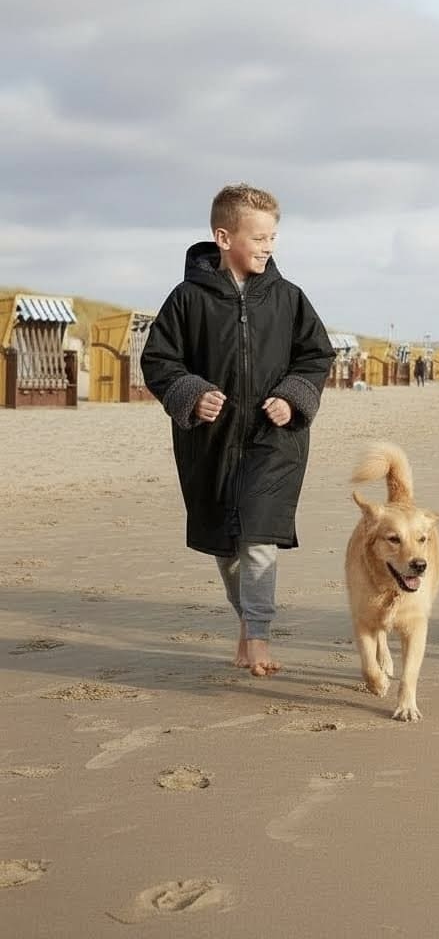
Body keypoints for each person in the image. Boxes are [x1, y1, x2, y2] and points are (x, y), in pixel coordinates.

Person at [141, 183, 335, 677]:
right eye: (259, 238)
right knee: (226, 542)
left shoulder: (290, 299)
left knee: (258, 534)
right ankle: (248, 621)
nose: (269, 247)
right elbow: (160, 359)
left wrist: (293, 398)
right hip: (211, 441)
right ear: (224, 237)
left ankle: (260, 634)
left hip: (276, 439)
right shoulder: (186, 299)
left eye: (273, 238)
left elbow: (316, 355)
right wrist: (189, 392)